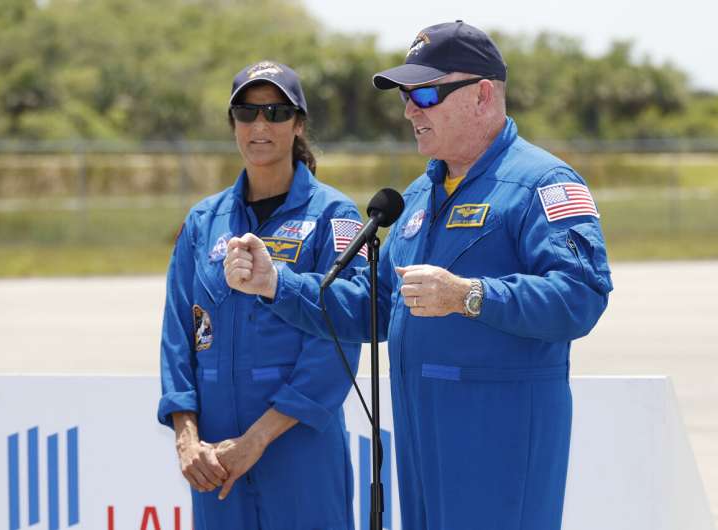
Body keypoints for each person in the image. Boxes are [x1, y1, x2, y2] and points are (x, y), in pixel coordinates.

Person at [225, 22, 614, 530]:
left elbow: (581, 294)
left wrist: (469, 295)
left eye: (426, 94)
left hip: (499, 441)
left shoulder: (541, 183)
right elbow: (378, 307)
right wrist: (275, 283)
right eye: (407, 96)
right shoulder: (415, 198)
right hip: (419, 439)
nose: (411, 109)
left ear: (481, 96)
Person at [157, 61, 365, 530]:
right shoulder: (203, 221)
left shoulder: (334, 216)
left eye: (275, 112)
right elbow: (178, 337)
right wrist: (188, 441)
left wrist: (256, 440)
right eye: (246, 113)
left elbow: (338, 337)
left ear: (298, 124)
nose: (260, 125)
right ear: (233, 124)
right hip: (217, 460)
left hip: (298, 450)